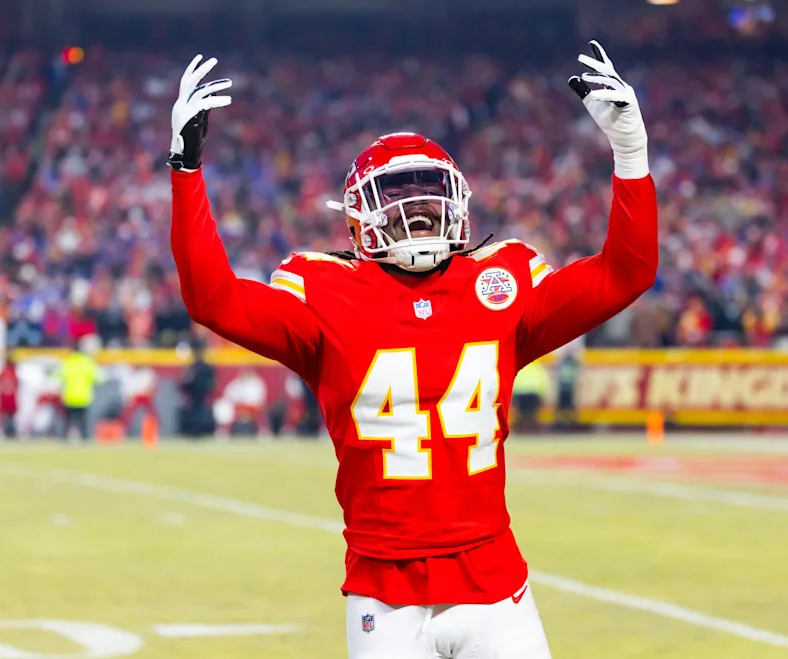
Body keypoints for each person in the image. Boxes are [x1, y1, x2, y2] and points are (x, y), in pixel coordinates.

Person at [169, 42, 656, 659]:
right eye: (397, 196)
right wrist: (185, 172)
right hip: (383, 591)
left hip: (491, 580)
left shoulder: (499, 281)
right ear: (354, 221)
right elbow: (212, 298)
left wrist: (631, 152)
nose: (416, 211)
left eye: (428, 196)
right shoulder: (324, 291)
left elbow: (626, 274)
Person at [57, 341, 101, 441]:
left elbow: (58, 375)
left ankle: (65, 438)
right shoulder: (87, 362)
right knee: (83, 421)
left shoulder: (67, 362)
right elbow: (99, 378)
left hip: (70, 397)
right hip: (83, 397)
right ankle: (85, 438)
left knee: (69, 421)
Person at [178, 342, 216, 438]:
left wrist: (210, 388)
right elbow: (187, 379)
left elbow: (211, 380)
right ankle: (195, 431)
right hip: (194, 391)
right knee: (196, 411)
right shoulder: (194, 366)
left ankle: (198, 431)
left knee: (198, 411)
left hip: (200, 391)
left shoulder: (202, 366)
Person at [0, 353, 19, 439]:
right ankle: (9, 432)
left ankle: (9, 432)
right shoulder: (12, 372)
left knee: (8, 416)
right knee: (9, 416)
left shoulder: (4, 372)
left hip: (6, 397)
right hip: (9, 397)